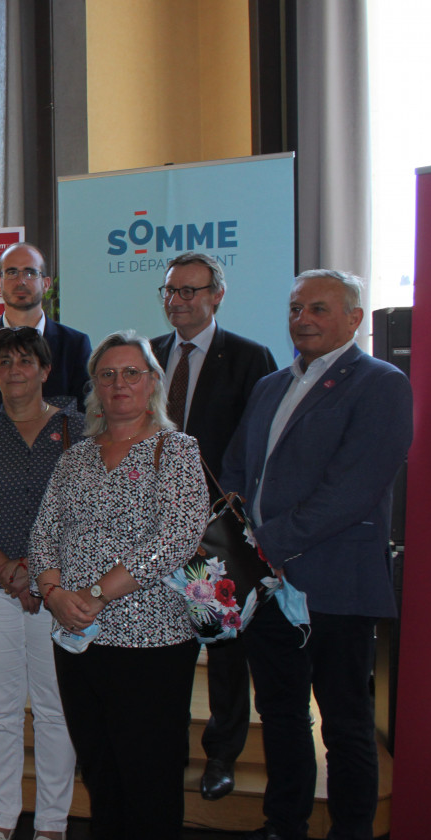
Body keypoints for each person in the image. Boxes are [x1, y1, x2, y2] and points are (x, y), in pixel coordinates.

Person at [222, 270, 413, 840]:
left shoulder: (381, 383)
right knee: (281, 717)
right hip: (269, 587)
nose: (302, 318)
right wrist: (240, 544)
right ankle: (285, 825)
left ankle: (351, 831)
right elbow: (235, 469)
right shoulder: (271, 385)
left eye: (319, 309)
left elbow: (353, 489)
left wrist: (270, 543)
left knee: (346, 723)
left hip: (336, 583)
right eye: (296, 307)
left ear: (355, 318)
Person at [28, 331, 208, 840]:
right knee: (101, 773)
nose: (119, 383)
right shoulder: (75, 458)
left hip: (150, 642)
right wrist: (55, 592)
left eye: (131, 372)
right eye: (107, 374)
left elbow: (174, 537)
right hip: (78, 640)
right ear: (95, 387)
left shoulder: (175, 451)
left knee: (149, 777)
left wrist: (95, 594)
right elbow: (44, 533)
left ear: (153, 382)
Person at [149, 252, 277, 802]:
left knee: (223, 650)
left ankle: (222, 754)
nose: (178, 301)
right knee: (163, 648)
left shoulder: (250, 358)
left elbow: (261, 441)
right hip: (151, 528)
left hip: (214, 531)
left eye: (191, 291)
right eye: (171, 291)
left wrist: (230, 504)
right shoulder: (148, 356)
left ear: (216, 296)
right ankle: (166, 749)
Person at [0, 326, 82, 840]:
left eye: (25, 361)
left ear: (46, 370)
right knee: (2, 709)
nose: (15, 371)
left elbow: (86, 515)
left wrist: (39, 572)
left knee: (55, 709)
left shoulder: (79, 431)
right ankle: (1, 818)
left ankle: (52, 823)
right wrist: (10, 571)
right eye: (4, 362)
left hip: (60, 591)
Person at [0, 243, 92, 436]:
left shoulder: (75, 345)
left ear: (46, 283)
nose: (21, 281)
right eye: (11, 273)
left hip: (62, 462)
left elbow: (84, 419)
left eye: (30, 273)